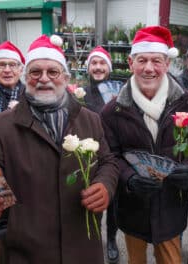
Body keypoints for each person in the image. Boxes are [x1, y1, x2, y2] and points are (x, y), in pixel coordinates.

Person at [0, 34, 119, 263]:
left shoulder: (90, 119)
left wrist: (105, 185)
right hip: (26, 250)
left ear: (66, 77)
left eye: (53, 72)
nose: (44, 79)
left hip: (82, 246)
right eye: (35, 72)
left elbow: (108, 161)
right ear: (25, 77)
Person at [101, 26, 188, 264]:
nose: (149, 68)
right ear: (131, 63)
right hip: (133, 206)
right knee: (136, 260)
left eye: (156, 61)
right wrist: (129, 178)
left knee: (170, 260)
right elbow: (111, 155)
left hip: (171, 204)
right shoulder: (113, 110)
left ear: (167, 64)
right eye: (142, 60)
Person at [83, 46, 122, 263]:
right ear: (88, 68)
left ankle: (112, 240)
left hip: (115, 156)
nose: (98, 68)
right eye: (94, 63)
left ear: (109, 67)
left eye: (102, 63)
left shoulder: (120, 92)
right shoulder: (80, 94)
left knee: (114, 204)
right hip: (90, 158)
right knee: (94, 202)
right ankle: (94, 240)